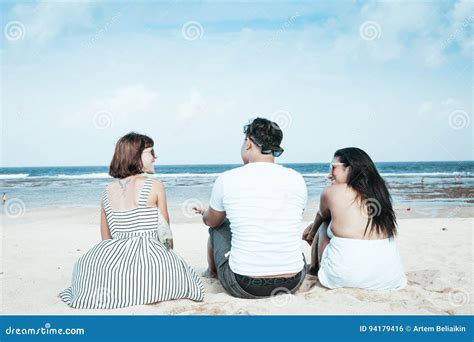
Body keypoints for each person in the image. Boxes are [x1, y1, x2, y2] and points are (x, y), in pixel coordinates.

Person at [60, 132, 204, 308]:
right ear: (137, 156)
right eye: (151, 152)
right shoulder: (155, 185)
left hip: (114, 257)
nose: (155, 157)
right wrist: (169, 257)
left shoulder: (107, 192)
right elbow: (165, 235)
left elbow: (106, 241)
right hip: (151, 258)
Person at [194, 118, 307, 299]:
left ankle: (212, 273)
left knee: (218, 227)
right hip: (292, 282)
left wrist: (205, 213)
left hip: (243, 284)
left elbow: (211, 221)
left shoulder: (227, 179)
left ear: (248, 142)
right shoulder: (297, 179)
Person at [302, 147, 407, 290]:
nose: (329, 175)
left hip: (345, 277)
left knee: (324, 224)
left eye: (333, 168)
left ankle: (314, 269)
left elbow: (322, 216)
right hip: (390, 277)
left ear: (349, 169)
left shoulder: (331, 192)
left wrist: (312, 231)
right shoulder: (380, 192)